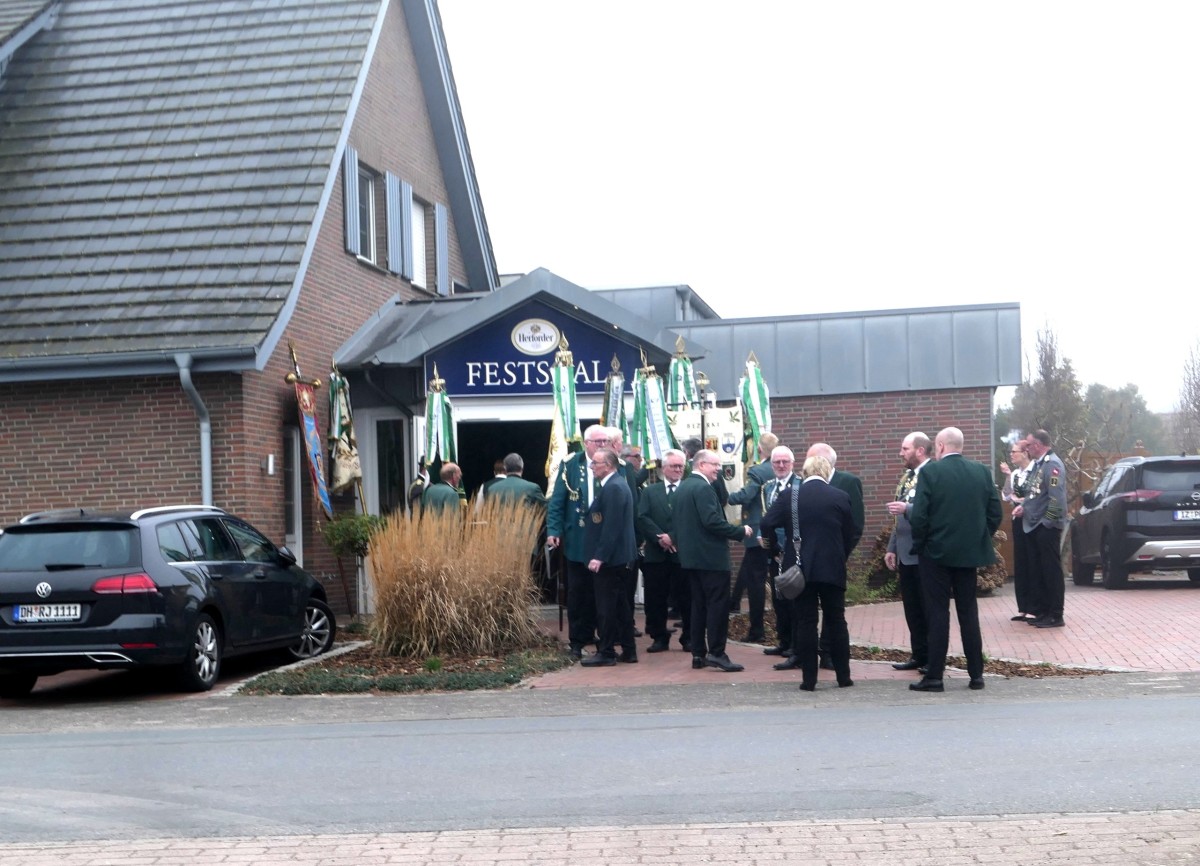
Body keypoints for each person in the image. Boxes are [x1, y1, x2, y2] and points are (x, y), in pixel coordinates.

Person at [908, 426, 1002, 693]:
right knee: (968, 612)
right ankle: (976, 675)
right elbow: (995, 512)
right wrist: (978, 537)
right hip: (968, 554)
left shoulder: (930, 472)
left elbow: (920, 515)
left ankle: (935, 676)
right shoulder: (981, 472)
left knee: (938, 614)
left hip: (935, 554)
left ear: (939, 446)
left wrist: (921, 545)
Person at [760, 454, 856, 690]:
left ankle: (809, 680)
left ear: (804, 472)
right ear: (827, 473)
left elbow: (766, 523)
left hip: (799, 567)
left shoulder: (790, 496)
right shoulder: (840, 496)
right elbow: (850, 533)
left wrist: (774, 549)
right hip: (832, 567)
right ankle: (843, 677)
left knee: (806, 622)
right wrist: (840, 554)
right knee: (836, 620)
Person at [672, 448, 754, 672]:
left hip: (691, 559)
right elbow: (712, 521)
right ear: (701, 465)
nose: (719, 469)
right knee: (717, 606)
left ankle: (698, 654)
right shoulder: (703, 488)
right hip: (711, 559)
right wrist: (740, 531)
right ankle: (717, 653)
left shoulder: (683, 488)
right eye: (715, 465)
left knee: (698, 606)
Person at [547, 424, 611, 659]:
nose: (602, 445)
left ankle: (601, 636)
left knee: (602, 593)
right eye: (598, 441)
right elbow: (557, 501)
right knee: (577, 592)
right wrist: (554, 530)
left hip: (604, 538)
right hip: (578, 538)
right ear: (586, 443)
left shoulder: (615, 464)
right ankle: (577, 639)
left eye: (605, 441)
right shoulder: (571, 464)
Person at [807, 442, 864, 669]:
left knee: (833, 611)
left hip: (835, 557)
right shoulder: (805, 483)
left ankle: (829, 653)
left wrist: (841, 553)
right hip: (809, 559)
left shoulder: (848, 483)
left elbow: (855, 525)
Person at [580, 448, 639, 667]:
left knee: (606, 607)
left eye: (595, 463)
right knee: (621, 606)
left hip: (612, 560)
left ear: (608, 465)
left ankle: (606, 652)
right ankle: (629, 650)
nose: (592, 466)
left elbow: (611, 526)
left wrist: (599, 556)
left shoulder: (613, 487)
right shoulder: (615, 485)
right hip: (618, 558)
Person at [884, 432, 932, 674]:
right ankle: (919, 654)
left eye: (905, 449)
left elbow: (931, 509)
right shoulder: (907, 477)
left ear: (920, 450)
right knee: (912, 608)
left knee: (927, 609)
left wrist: (907, 508)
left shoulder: (932, 475)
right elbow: (899, 517)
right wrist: (892, 547)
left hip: (924, 553)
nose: (901, 453)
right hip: (905, 553)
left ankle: (933, 658)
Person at [727, 431, 779, 641]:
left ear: (759, 449)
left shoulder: (758, 471)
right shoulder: (778, 469)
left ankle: (757, 630)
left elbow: (748, 495)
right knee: (760, 573)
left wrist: (728, 497)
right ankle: (735, 602)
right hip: (776, 531)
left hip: (758, 532)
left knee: (756, 581)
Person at [636, 448, 690, 653]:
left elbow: (691, 518)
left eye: (681, 466)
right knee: (655, 599)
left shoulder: (689, 490)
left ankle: (689, 637)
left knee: (687, 598)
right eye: (674, 466)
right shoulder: (650, 491)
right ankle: (659, 637)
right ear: (664, 468)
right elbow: (642, 517)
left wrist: (673, 537)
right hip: (656, 555)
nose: (678, 470)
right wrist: (660, 538)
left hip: (683, 555)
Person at [1014, 429, 1068, 629]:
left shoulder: (1052, 465)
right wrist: (1024, 507)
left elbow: (1056, 497)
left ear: (1037, 445)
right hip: (1034, 525)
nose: (1026, 449)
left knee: (1051, 571)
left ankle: (1056, 614)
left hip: (1046, 527)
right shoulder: (1039, 464)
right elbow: (1035, 494)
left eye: (1028, 445)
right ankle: (1044, 611)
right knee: (1041, 572)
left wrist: (1047, 523)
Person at [760, 446, 798, 663]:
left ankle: (794, 644)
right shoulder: (767, 487)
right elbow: (765, 518)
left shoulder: (800, 486)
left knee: (793, 598)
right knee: (778, 598)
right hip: (774, 552)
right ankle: (783, 640)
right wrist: (768, 545)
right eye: (777, 462)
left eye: (785, 462)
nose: (781, 466)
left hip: (792, 551)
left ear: (792, 463)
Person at [999, 441, 1036, 621]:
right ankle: (1023, 607)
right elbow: (1007, 496)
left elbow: (1037, 496)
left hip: (1033, 521)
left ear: (1025, 452)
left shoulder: (1035, 471)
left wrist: (1024, 503)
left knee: (1032, 562)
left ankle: (1035, 607)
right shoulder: (1015, 474)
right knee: (1020, 563)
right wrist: (1007, 476)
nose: (1011, 455)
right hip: (1018, 520)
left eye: (1014, 451)